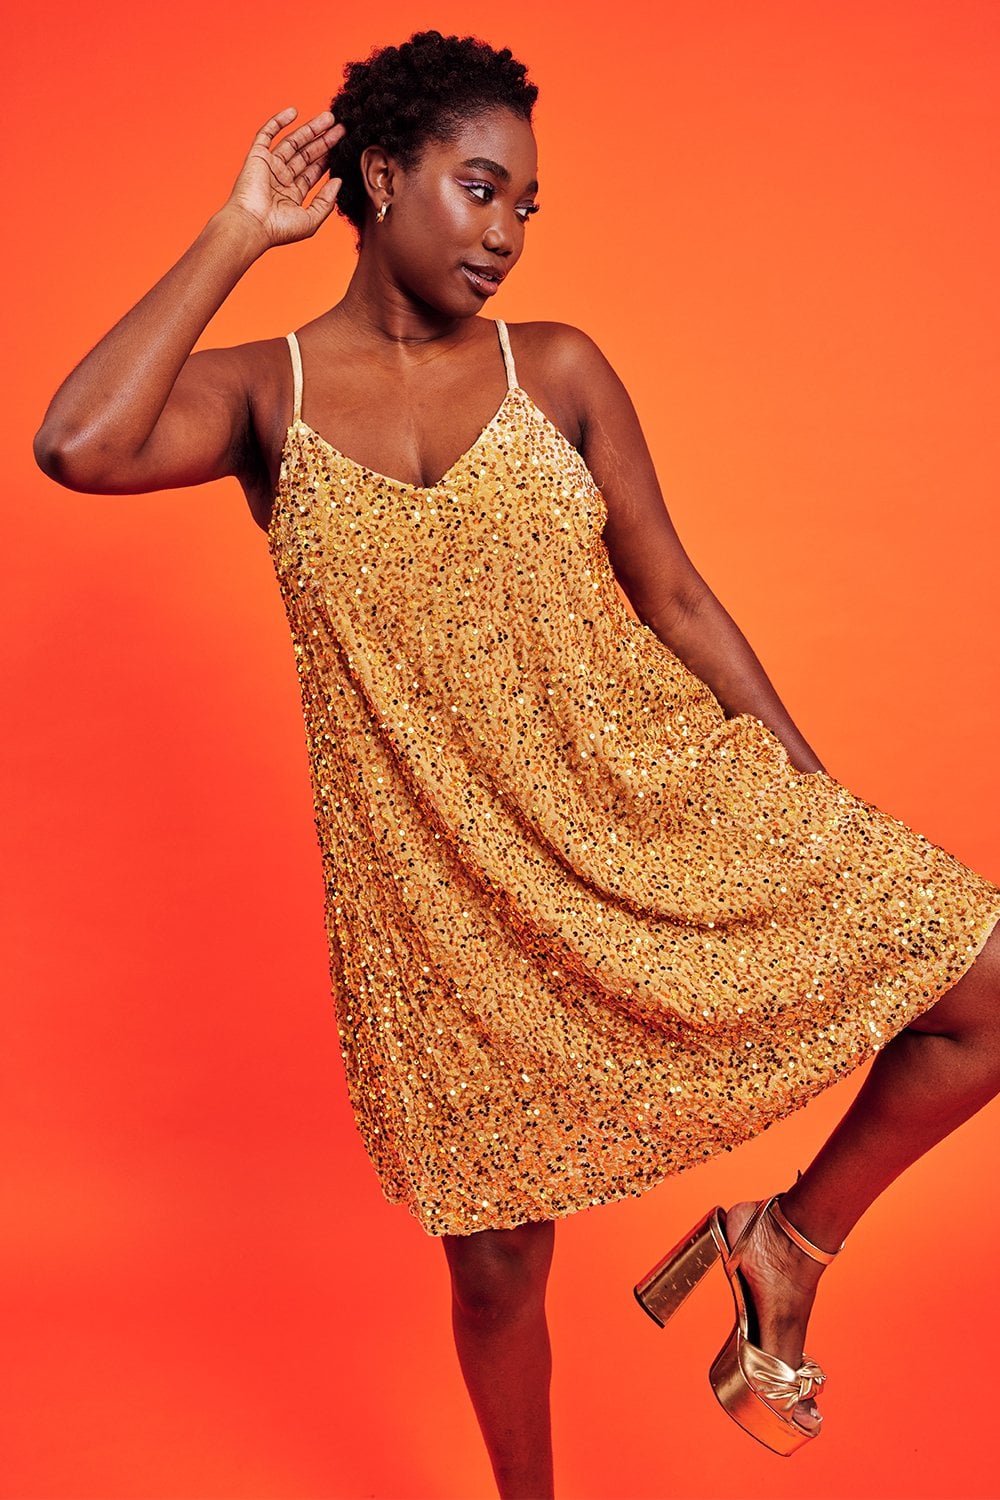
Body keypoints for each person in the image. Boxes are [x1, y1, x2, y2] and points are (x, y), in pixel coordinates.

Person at [33, 27, 1000, 1500]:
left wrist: (814, 793)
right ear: (380, 176)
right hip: (440, 897)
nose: (506, 234)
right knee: (494, 1274)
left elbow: (675, 595)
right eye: (480, 189)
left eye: (526, 205)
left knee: (983, 992)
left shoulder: (555, 367)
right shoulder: (265, 395)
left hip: (647, 810)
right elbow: (77, 445)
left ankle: (786, 1244)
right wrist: (237, 231)